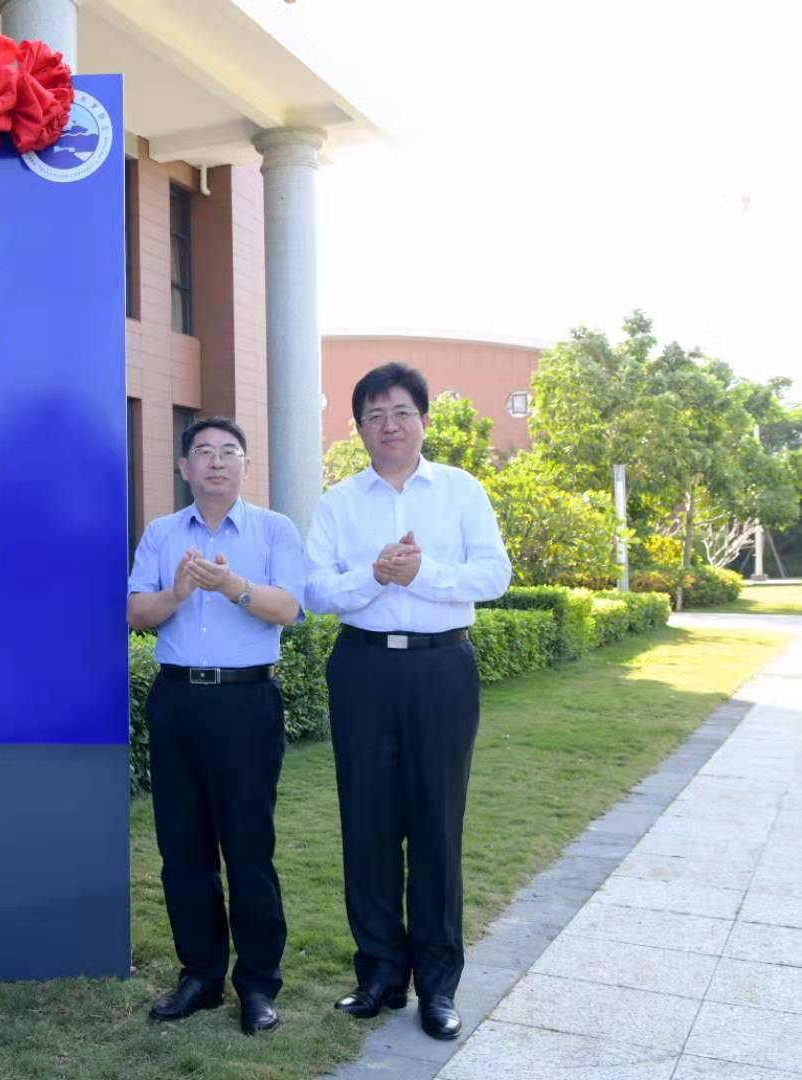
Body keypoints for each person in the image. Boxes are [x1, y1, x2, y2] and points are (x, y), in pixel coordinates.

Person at [304, 363, 511, 1041]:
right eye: (373, 415)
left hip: (440, 669)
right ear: (358, 428)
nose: (387, 425)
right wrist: (374, 577)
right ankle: (378, 977)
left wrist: (422, 573)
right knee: (366, 823)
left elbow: (494, 574)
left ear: (423, 420)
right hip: (362, 669)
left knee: (436, 825)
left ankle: (438, 986)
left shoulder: (460, 490)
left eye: (400, 412)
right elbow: (316, 591)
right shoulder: (339, 502)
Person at [127, 416, 307, 1036]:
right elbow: (135, 613)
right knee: (183, 850)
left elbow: (290, 607)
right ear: (184, 468)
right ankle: (200, 976)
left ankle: (257, 984)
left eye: (229, 451)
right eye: (203, 452)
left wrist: (232, 586)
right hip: (178, 701)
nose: (216, 462)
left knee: (249, 848)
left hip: (247, 703)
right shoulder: (161, 533)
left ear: (246, 466)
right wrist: (176, 593)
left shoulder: (275, 530)